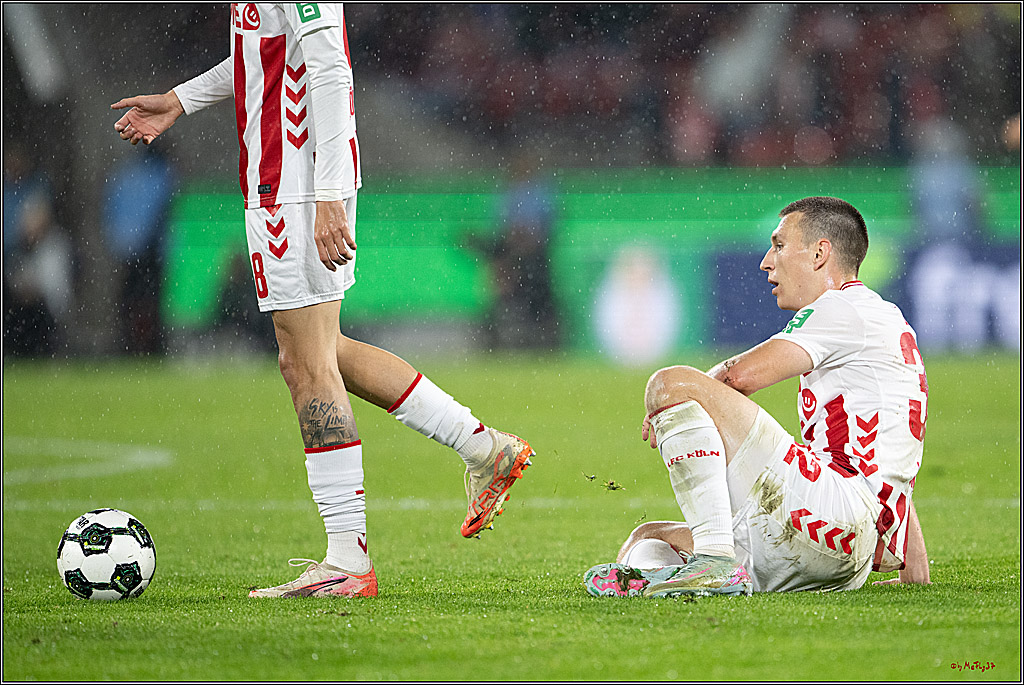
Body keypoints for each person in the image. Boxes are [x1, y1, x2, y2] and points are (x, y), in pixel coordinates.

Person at [111, 3, 533, 599]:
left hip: (297, 188)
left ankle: (348, 562)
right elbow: (262, 57)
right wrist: (181, 99)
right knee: (324, 352)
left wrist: (327, 192)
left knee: (305, 365)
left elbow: (330, 65)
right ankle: (485, 448)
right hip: (283, 183)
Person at [583, 197, 931, 597]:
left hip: (831, 514)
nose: (767, 261)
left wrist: (674, 400)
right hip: (849, 550)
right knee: (648, 540)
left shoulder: (843, 307)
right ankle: (686, 581)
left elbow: (738, 376)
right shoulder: (884, 320)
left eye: (780, 245)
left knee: (670, 382)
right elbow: (891, 463)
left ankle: (713, 562)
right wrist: (913, 570)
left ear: (820, 253)